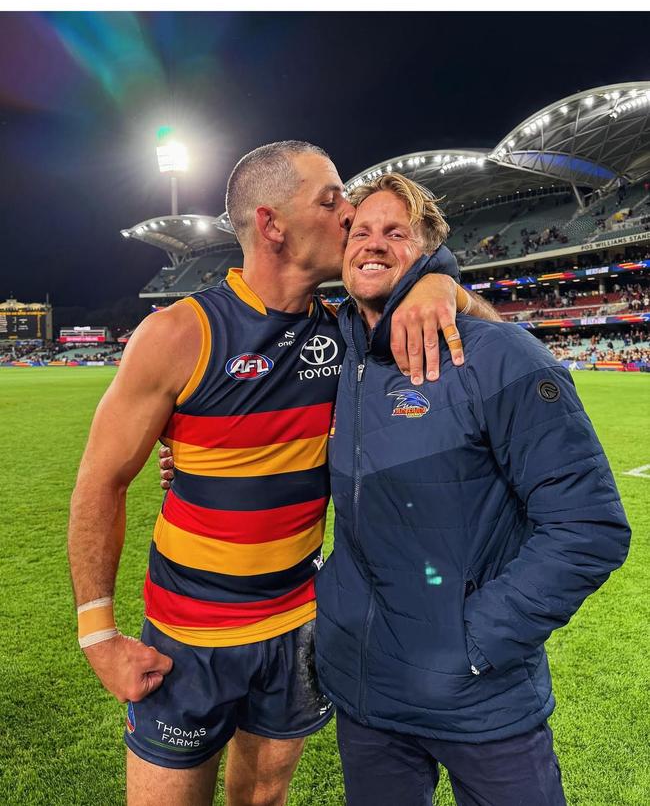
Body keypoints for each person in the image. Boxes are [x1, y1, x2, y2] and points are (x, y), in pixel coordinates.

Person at [68, 142, 496, 806]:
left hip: (298, 624)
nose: (350, 214)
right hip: (189, 637)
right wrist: (98, 632)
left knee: (264, 795)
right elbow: (100, 482)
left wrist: (440, 278)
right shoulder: (181, 334)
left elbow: (478, 330)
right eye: (331, 201)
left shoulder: (345, 329)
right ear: (273, 225)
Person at [312, 173, 631, 806]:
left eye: (395, 232)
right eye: (362, 231)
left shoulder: (503, 356)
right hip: (366, 693)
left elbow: (588, 527)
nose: (372, 244)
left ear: (429, 252)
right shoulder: (334, 360)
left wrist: (476, 644)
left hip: (479, 701)